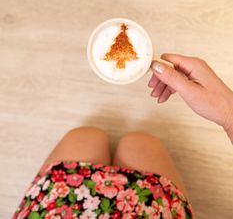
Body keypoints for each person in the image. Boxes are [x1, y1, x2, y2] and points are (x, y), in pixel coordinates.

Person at [13, 54, 233, 219]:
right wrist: (227, 113)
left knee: (86, 138)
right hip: (147, 207)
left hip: (62, 205)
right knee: (140, 144)